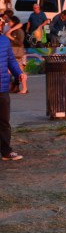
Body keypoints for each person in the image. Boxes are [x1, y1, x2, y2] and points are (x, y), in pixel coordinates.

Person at [0, 14, 25, 160]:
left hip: (2, 88)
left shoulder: (4, 41)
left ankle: (6, 151)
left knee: (4, 121)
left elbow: (11, 60)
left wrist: (19, 73)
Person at [4, 16, 27, 94]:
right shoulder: (10, 30)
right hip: (13, 54)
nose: (9, 23)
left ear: (14, 22)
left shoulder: (19, 31)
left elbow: (20, 42)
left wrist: (10, 37)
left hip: (19, 54)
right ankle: (15, 87)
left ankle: (24, 88)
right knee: (12, 72)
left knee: (21, 72)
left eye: (10, 22)